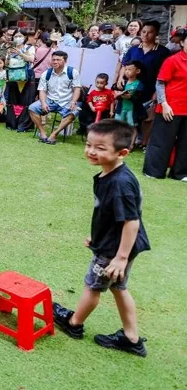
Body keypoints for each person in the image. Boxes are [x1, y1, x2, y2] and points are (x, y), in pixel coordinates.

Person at [53, 119, 150, 357]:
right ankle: (131, 337)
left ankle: (74, 324)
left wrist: (120, 257)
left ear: (123, 152)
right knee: (119, 288)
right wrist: (97, 236)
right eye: (88, 144)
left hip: (115, 251)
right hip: (113, 245)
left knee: (92, 286)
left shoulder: (120, 183)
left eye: (100, 148)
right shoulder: (110, 175)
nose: (91, 151)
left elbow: (131, 221)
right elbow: (112, 217)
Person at [120, 20, 172, 147]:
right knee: (129, 113)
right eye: (144, 32)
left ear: (156, 34)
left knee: (147, 117)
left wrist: (157, 92)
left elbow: (164, 74)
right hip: (132, 87)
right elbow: (124, 65)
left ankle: (143, 142)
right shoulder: (133, 49)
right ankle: (127, 140)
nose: (146, 35)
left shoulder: (163, 52)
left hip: (150, 88)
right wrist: (120, 78)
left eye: (150, 32)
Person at [143, 34, 187, 180]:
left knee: (185, 142)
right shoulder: (172, 60)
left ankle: (179, 173)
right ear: (182, 42)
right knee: (161, 141)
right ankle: (153, 171)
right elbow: (160, 83)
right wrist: (164, 104)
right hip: (170, 107)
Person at [28, 50, 81, 144]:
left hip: (67, 101)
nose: (55, 62)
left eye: (58, 60)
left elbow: (77, 89)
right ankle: (42, 133)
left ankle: (54, 134)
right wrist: (43, 103)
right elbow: (42, 90)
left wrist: (73, 101)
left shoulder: (72, 72)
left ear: (65, 61)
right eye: (53, 60)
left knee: (73, 112)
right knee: (32, 108)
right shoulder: (46, 74)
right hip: (50, 100)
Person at [4, 32, 37, 131]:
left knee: (25, 101)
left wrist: (20, 53)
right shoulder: (10, 49)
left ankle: (24, 125)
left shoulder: (29, 48)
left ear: (25, 37)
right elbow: (6, 63)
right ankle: (12, 123)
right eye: (16, 36)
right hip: (13, 77)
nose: (18, 38)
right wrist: (9, 55)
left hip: (26, 78)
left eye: (20, 36)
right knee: (13, 100)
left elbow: (31, 59)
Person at [114, 62, 143, 146]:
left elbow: (139, 97)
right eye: (126, 69)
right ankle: (117, 142)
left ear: (137, 71)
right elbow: (114, 90)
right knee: (118, 125)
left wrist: (130, 97)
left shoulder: (139, 84)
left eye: (129, 69)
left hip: (132, 109)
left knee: (132, 126)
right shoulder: (123, 82)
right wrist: (117, 93)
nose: (127, 71)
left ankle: (131, 144)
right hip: (121, 107)